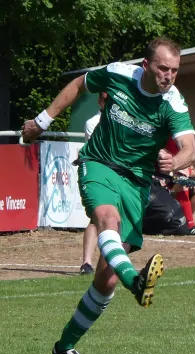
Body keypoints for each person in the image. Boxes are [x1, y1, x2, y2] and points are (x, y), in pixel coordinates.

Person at [21, 37, 195, 354]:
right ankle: (137, 281)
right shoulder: (118, 74)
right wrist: (42, 121)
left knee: (106, 278)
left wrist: (175, 161)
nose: (168, 76)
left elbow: (189, 146)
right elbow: (79, 83)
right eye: (162, 68)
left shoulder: (173, 102)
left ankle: (64, 347)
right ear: (146, 66)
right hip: (99, 165)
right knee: (107, 220)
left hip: (136, 184)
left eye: (174, 70)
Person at [80, 92, 108, 275]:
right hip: (98, 172)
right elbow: (102, 151)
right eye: (106, 99)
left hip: (116, 174)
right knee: (96, 217)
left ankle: (105, 263)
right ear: (100, 101)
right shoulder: (92, 123)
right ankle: (87, 262)